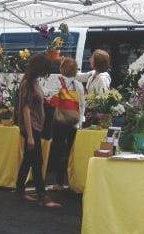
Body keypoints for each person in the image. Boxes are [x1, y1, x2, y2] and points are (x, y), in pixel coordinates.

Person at [15, 53, 62, 208]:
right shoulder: (28, 83)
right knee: (36, 161)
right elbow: (26, 110)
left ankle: (20, 189)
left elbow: (33, 105)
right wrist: (29, 136)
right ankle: (42, 196)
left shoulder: (33, 81)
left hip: (36, 126)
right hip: (31, 128)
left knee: (29, 160)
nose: (45, 73)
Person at [50, 57, 85, 191]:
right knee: (71, 152)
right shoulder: (79, 85)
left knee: (59, 151)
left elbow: (51, 100)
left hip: (60, 122)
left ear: (62, 69)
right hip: (74, 123)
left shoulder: (58, 82)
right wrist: (80, 122)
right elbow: (82, 106)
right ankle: (71, 181)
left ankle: (59, 183)